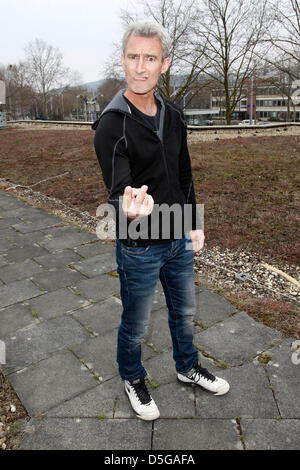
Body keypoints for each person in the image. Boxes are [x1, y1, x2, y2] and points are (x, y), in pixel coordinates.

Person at [93, 20, 229, 421]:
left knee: (184, 313)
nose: (140, 66)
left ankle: (187, 366)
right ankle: (132, 376)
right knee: (135, 323)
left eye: (149, 58)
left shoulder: (174, 114)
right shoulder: (110, 124)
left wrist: (194, 223)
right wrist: (127, 208)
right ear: (123, 60)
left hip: (178, 237)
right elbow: (118, 191)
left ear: (164, 64)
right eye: (133, 57)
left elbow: (184, 174)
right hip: (139, 244)